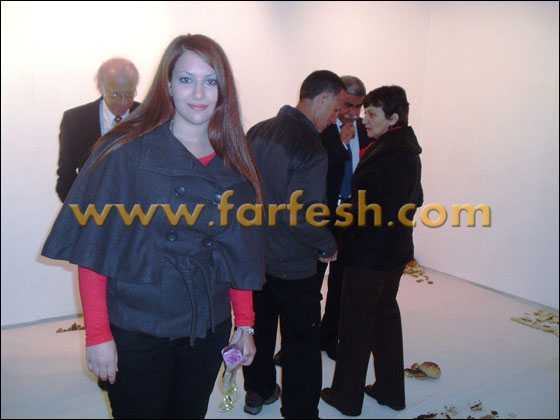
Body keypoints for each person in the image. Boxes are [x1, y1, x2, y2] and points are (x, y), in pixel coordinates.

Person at [41, 34, 264, 419]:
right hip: (137, 326)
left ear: (223, 90)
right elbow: (95, 252)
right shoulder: (124, 152)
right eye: (186, 79)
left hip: (206, 325)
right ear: (168, 86)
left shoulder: (234, 159)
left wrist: (245, 323)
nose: (199, 93)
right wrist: (98, 335)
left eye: (210, 81)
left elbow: (237, 252)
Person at [242, 70, 343, 419]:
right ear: (322, 98)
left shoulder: (257, 131)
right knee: (302, 341)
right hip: (294, 263)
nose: (335, 119)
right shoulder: (310, 147)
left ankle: (258, 391)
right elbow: (303, 215)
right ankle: (300, 411)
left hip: (257, 257)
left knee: (258, 327)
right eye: (335, 109)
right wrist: (327, 245)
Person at [320, 85, 423, 416]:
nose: (364, 120)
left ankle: (346, 398)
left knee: (355, 326)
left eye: (372, 114)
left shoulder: (389, 154)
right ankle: (390, 391)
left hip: (370, 256)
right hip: (393, 252)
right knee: (384, 319)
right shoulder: (406, 148)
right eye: (365, 113)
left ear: (393, 118)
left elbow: (371, 211)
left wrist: (335, 224)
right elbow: (415, 199)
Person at [317, 75, 372, 361]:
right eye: (348, 105)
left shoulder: (366, 130)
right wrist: (340, 144)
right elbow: (318, 169)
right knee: (311, 284)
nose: (353, 112)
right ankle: (298, 344)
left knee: (341, 284)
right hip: (322, 214)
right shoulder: (322, 128)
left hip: (352, 216)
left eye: (359, 107)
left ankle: (329, 338)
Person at [55, 57, 141, 202]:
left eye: (129, 94)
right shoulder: (75, 121)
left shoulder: (150, 118)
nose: (123, 102)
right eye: (115, 94)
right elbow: (66, 178)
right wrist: (84, 210)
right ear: (101, 88)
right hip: (91, 210)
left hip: (141, 212)